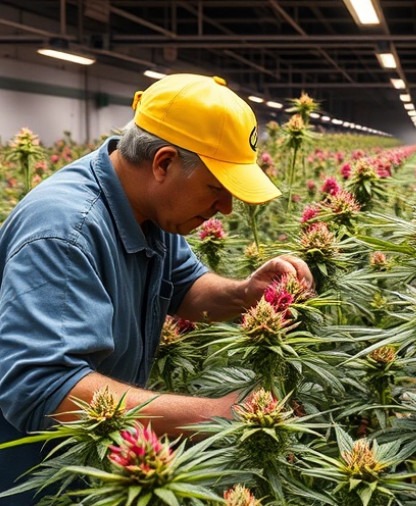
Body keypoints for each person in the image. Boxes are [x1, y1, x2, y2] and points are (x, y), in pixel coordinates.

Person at [0, 73, 312, 504]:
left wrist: (245, 292)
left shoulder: (148, 207)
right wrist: (215, 414)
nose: (226, 207)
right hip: (39, 480)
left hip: (108, 459)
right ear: (163, 163)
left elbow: (186, 287)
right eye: (216, 188)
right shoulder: (64, 231)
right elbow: (42, 388)